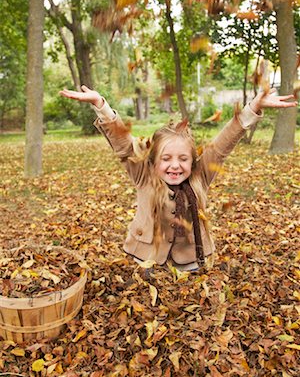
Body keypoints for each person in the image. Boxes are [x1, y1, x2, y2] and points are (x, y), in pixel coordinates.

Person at [59, 86, 297, 271]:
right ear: (153, 161)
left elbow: (224, 143)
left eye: (183, 158)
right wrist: (101, 105)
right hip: (145, 258)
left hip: (190, 260)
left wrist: (252, 109)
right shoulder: (144, 174)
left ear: (193, 160)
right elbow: (122, 143)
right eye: (166, 158)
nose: (175, 165)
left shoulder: (200, 174)